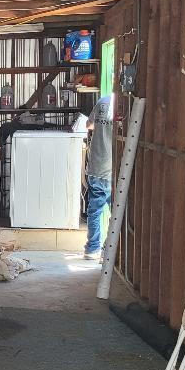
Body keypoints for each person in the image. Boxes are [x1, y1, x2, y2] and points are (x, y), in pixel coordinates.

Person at [80, 94, 114, 261]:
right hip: (114, 170)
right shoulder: (125, 105)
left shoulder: (103, 102)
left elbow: (89, 124)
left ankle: (92, 249)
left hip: (96, 166)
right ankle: (110, 250)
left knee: (94, 211)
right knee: (116, 213)